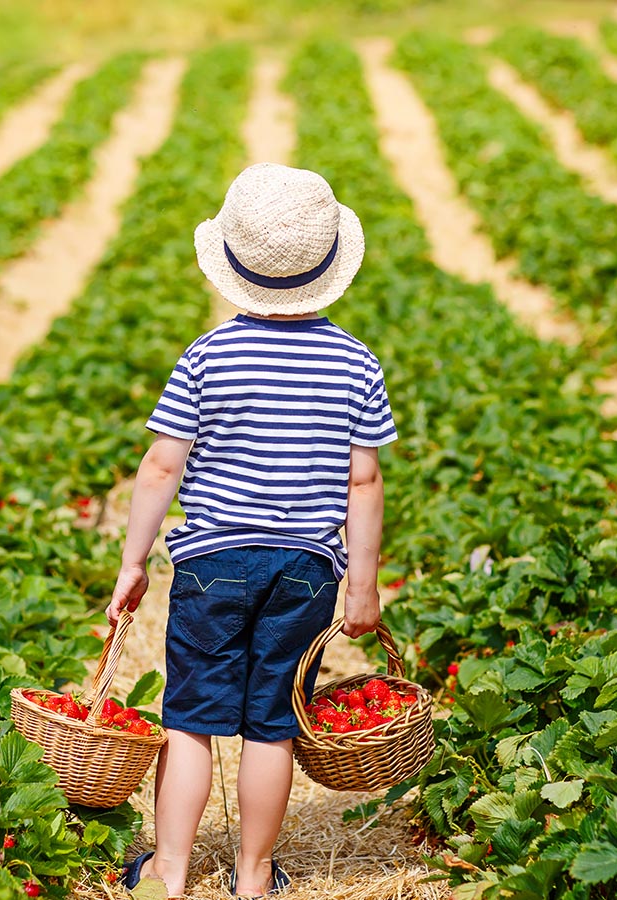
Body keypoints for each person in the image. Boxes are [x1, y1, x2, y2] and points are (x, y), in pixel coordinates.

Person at [107, 163, 397, 899]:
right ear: (329, 266)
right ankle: (255, 873)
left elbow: (160, 466)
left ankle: (170, 870)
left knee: (192, 719)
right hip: (307, 569)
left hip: (214, 561)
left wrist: (133, 562)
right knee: (273, 723)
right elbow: (363, 482)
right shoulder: (355, 362)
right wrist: (363, 587)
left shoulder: (208, 357)